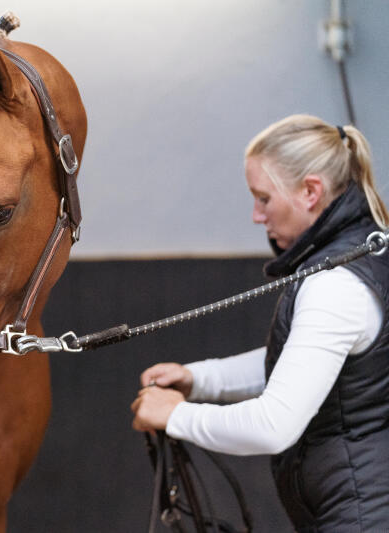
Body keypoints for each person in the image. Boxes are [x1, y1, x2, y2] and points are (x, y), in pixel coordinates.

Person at [130, 114, 389, 532]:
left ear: (310, 191)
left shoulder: (335, 285)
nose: (256, 215)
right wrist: (199, 379)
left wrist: (177, 415)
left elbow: (273, 426)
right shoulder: (355, 257)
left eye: (263, 198)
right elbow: (302, 363)